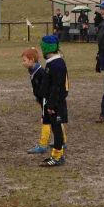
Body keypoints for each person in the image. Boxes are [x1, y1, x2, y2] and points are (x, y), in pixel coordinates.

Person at [38, 35, 69, 167]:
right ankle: (57, 154)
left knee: (57, 129)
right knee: (55, 128)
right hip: (51, 102)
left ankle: (57, 156)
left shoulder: (57, 64)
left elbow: (58, 87)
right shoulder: (52, 62)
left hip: (55, 103)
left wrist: (51, 104)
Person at [21, 48, 50, 154]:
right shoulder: (32, 70)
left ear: (32, 60)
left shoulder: (40, 72)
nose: (23, 63)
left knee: (46, 119)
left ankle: (42, 145)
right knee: (55, 119)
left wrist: (43, 100)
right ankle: (62, 141)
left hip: (46, 99)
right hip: (42, 98)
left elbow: (46, 88)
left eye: (24, 60)